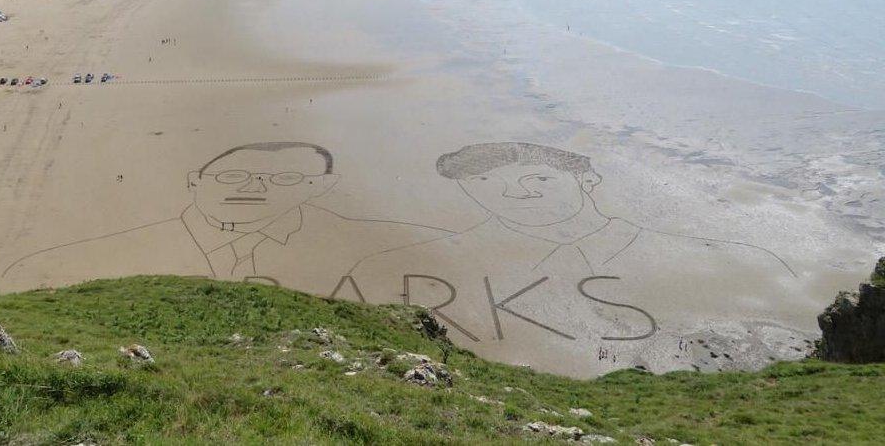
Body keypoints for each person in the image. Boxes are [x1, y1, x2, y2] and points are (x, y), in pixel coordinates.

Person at [348, 142, 814, 376]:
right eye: (487, 185)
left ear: (587, 181)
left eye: (538, 181)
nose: (514, 194)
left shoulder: (734, 260)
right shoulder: (394, 265)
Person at [3, 142, 450, 296]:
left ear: (319, 188)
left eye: (288, 178)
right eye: (233, 175)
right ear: (194, 181)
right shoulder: (80, 257)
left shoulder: (378, 245)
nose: (253, 187)